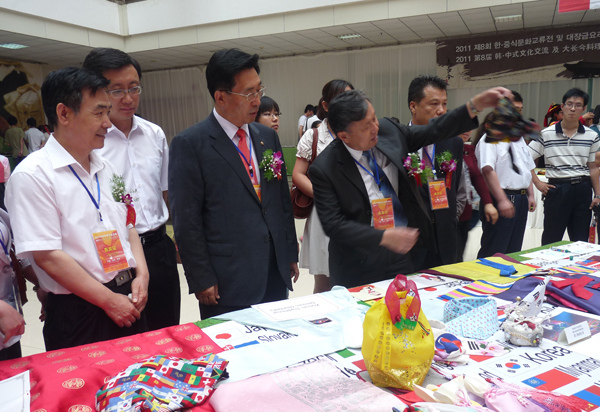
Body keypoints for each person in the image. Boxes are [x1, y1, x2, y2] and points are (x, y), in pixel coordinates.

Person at [5, 67, 150, 351]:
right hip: (80, 310)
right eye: (99, 113)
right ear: (64, 114)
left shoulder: (106, 167)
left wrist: (142, 275)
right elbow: (47, 256)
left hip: (126, 295)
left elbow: (129, 225)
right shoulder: (33, 176)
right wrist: (108, 301)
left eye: (108, 112)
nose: (108, 123)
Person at [310, 87, 510, 288]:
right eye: (365, 127)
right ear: (344, 136)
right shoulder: (325, 168)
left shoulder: (389, 132)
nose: (375, 128)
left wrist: (475, 105)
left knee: (407, 303)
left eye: (374, 118)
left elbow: (434, 130)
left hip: (401, 255)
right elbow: (333, 224)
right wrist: (383, 236)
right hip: (358, 262)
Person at [169, 49, 298, 319]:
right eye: (249, 93)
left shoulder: (266, 137)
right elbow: (186, 220)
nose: (257, 100)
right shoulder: (191, 144)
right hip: (227, 280)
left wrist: (289, 253)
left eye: (259, 90)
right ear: (221, 97)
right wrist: (201, 277)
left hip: (273, 271)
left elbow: (280, 201)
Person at [83, 47, 180, 331]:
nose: (128, 98)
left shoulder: (154, 134)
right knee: (128, 337)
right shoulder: (90, 143)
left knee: (167, 331)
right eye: (116, 90)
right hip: (117, 255)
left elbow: (166, 192)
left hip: (159, 247)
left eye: (134, 88)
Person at [293, 79, 353, 294]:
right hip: (325, 213)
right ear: (326, 105)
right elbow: (298, 174)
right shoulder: (314, 136)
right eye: (341, 99)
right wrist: (324, 195)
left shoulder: (358, 132)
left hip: (355, 212)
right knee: (324, 282)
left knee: (354, 278)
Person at [407, 75, 466, 269]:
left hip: (446, 240)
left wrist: (449, 219)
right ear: (413, 106)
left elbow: (456, 189)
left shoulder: (454, 142)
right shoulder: (398, 143)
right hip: (411, 242)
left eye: (444, 104)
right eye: (434, 104)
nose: (441, 110)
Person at [529, 88, 600, 245]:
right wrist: (537, 182)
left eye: (578, 105)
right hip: (557, 189)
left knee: (580, 241)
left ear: (583, 109)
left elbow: (593, 167)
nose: (573, 109)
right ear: (562, 106)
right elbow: (524, 158)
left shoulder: (592, 136)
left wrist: (597, 194)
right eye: (569, 104)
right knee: (551, 239)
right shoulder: (546, 134)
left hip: (582, 189)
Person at [474, 93, 537, 257]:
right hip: (501, 197)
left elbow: (527, 167)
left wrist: (530, 194)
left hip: (521, 198)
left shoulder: (518, 138)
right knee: (495, 249)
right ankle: (485, 274)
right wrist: (502, 200)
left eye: (520, 110)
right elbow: (488, 171)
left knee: (514, 249)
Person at [456, 129, 498, 262]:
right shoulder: (441, 147)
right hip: (445, 211)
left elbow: (477, 177)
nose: (467, 131)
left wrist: (488, 203)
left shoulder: (468, 149)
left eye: (470, 127)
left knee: (458, 256)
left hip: (465, 210)